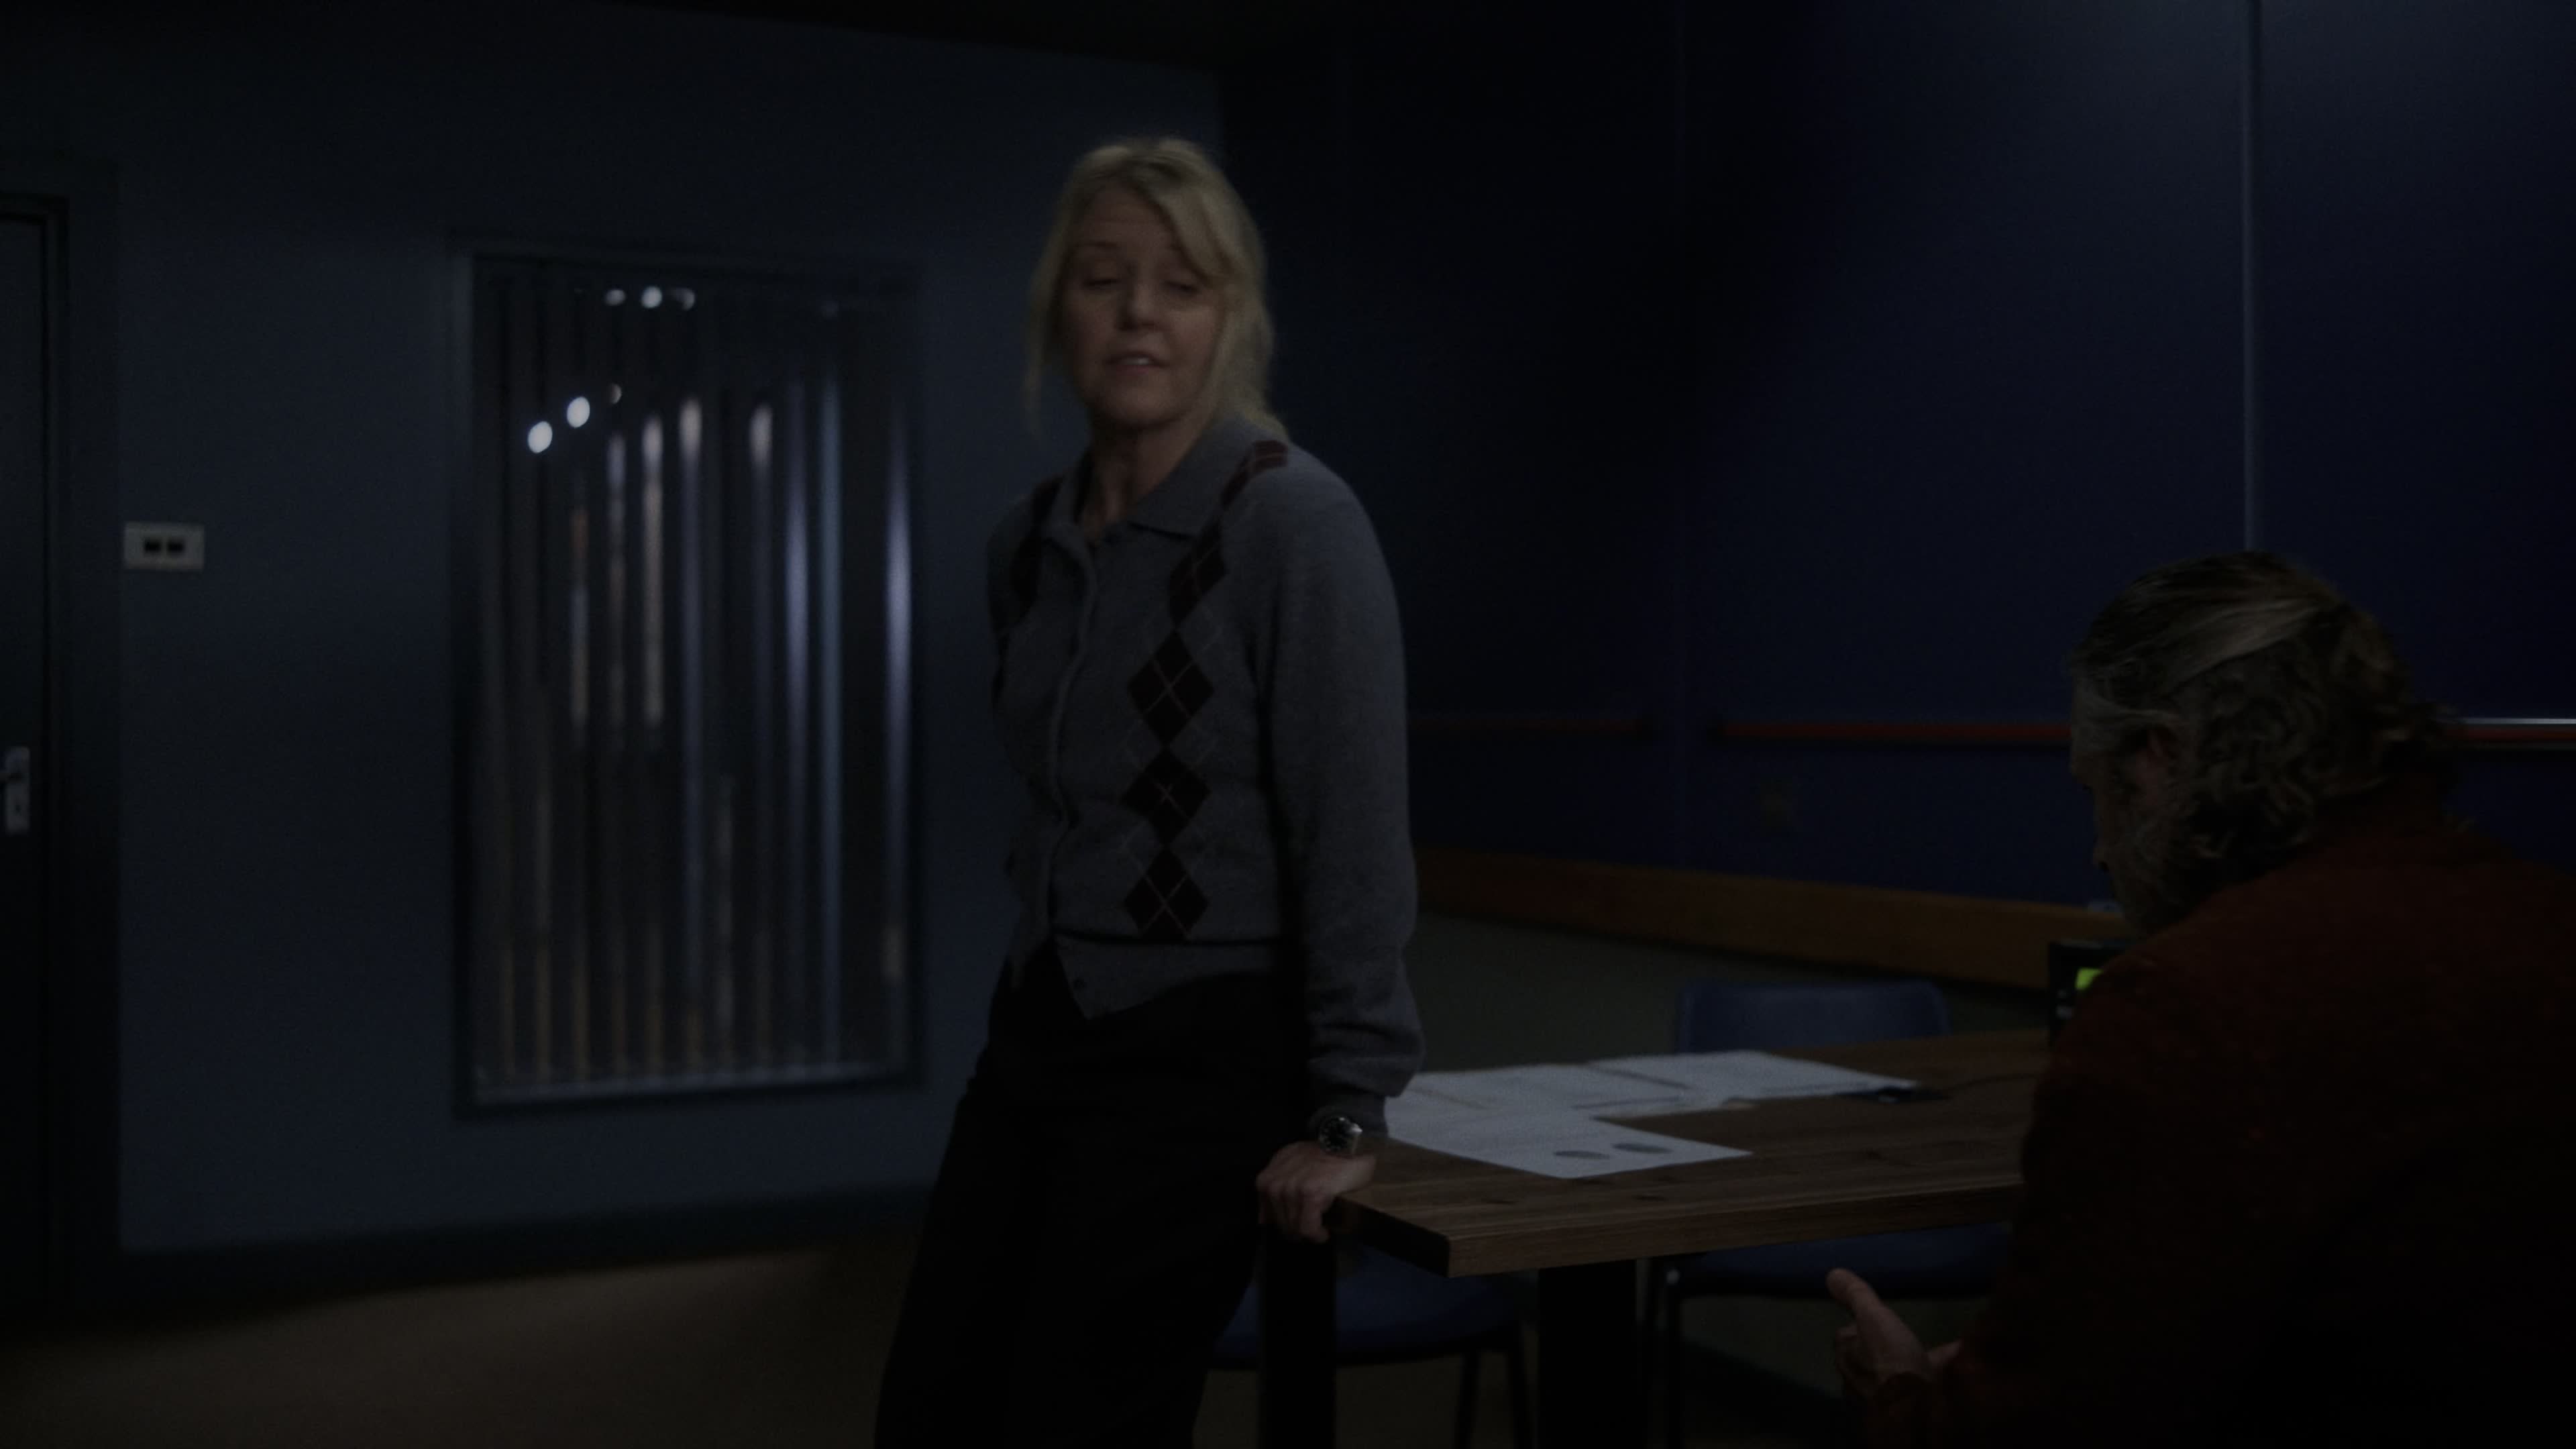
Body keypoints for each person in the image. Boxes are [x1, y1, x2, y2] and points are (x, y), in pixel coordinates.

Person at [872, 137, 1423, 1447]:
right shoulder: (1026, 544)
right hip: (1040, 1027)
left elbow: (1352, 831)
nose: (1138, 315)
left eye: (1181, 286)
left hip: (1206, 1049)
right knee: (931, 1407)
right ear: (1056, 308)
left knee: (1082, 1420)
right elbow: (1064, 807)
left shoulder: (1294, 525)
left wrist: (1349, 1104)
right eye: (1103, 279)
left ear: (1231, 319)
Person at [1828, 552, 2576, 1446]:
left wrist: (1905, 1397)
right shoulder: (2547, 921)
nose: (2099, 851)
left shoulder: (2186, 1006)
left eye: (2095, 792)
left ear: (2159, 758)